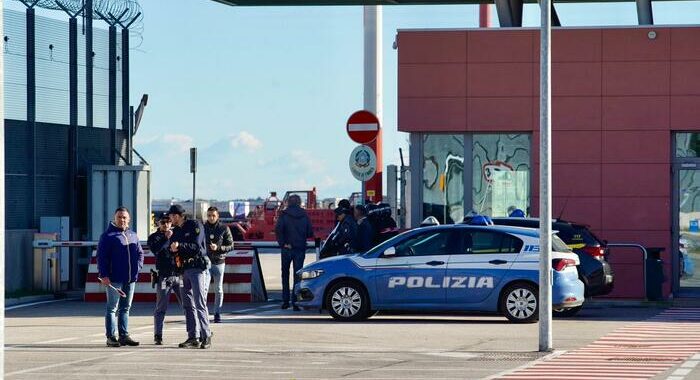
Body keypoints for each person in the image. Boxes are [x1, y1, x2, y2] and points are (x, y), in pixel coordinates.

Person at [97, 207, 144, 347]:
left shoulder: (133, 235)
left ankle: (124, 335)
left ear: (128, 219)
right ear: (114, 218)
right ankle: (111, 337)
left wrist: (138, 268)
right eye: (119, 217)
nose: (122, 220)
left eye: (124, 217)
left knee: (125, 308)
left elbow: (140, 253)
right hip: (114, 279)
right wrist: (104, 275)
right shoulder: (107, 236)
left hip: (130, 279)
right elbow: (101, 258)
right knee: (112, 308)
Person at [168, 204, 213, 349]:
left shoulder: (194, 225)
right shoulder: (175, 231)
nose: (170, 219)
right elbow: (172, 250)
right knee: (187, 304)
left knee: (199, 302)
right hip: (183, 270)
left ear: (178, 216)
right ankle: (192, 336)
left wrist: (179, 246)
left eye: (172, 216)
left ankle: (206, 335)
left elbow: (197, 247)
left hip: (197, 268)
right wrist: (173, 249)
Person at [274, 194, 314, 311]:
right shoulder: (304, 215)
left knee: (285, 275)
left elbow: (278, 229)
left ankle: (285, 301)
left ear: (288, 202)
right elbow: (310, 232)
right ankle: (296, 302)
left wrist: (283, 243)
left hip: (287, 248)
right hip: (300, 248)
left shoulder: (284, 214)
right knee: (298, 277)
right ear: (299, 202)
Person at [147, 215, 182, 345]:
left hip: (179, 275)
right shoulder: (154, 237)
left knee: (188, 305)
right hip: (164, 276)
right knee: (161, 307)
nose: (166, 224)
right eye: (163, 222)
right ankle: (158, 335)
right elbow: (156, 250)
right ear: (158, 223)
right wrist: (166, 238)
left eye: (168, 222)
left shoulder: (177, 233)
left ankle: (195, 333)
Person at [203, 207, 234, 323]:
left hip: (219, 262)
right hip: (205, 262)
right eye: (209, 215)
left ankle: (217, 313)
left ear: (217, 216)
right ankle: (204, 313)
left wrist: (219, 248)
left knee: (218, 289)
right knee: (204, 289)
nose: (211, 218)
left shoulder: (224, 228)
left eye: (213, 215)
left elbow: (231, 245)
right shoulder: (202, 228)